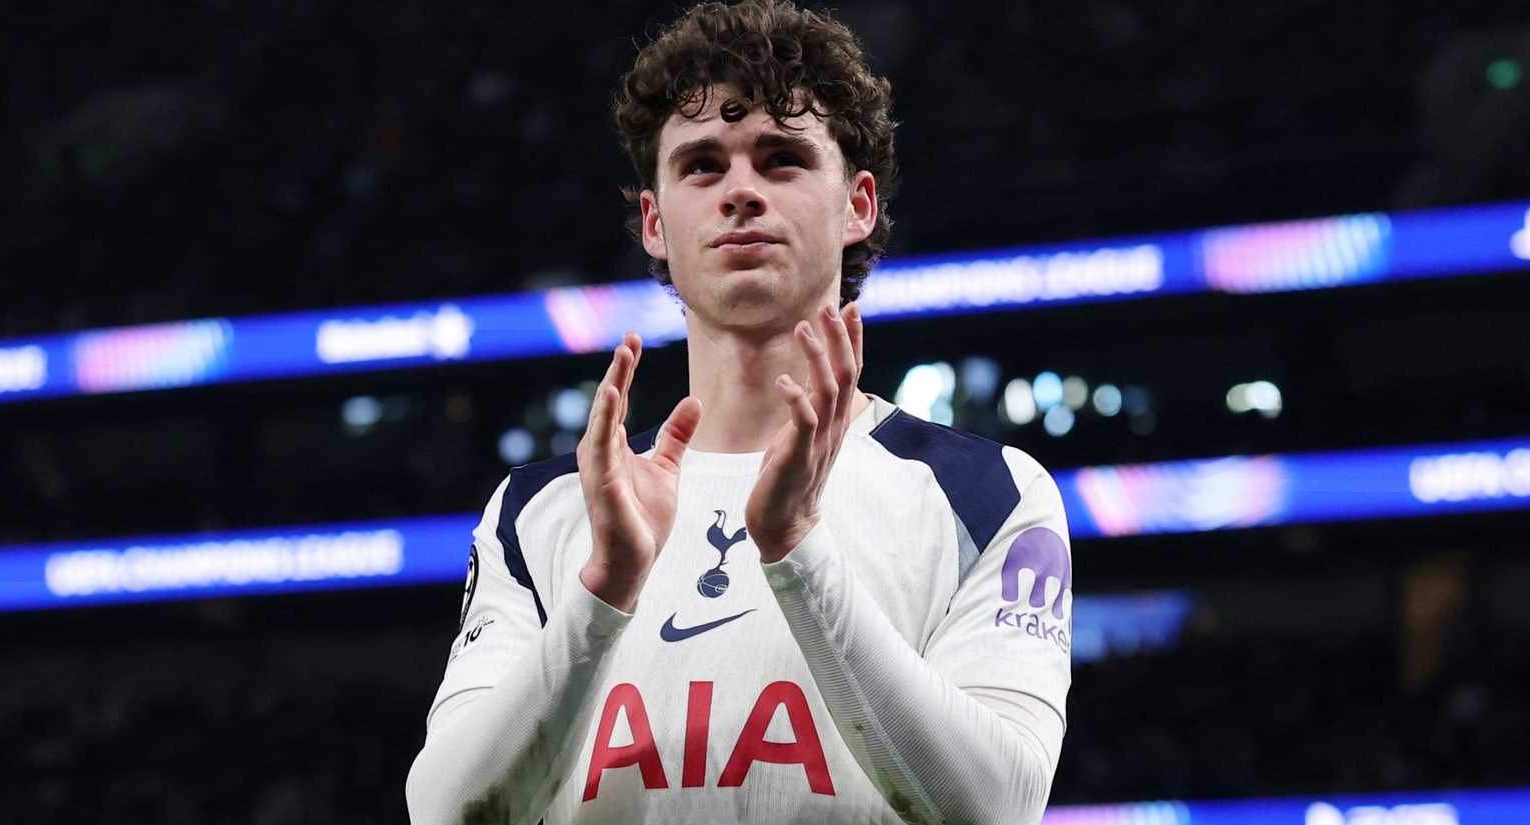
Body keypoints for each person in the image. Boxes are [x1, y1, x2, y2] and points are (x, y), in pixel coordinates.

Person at [405, 2, 1072, 822]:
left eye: (782, 158)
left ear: (857, 204)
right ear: (655, 222)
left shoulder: (990, 493)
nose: (741, 192)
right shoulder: (538, 511)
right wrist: (605, 587)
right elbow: (442, 810)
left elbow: (996, 807)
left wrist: (796, 547)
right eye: (701, 166)